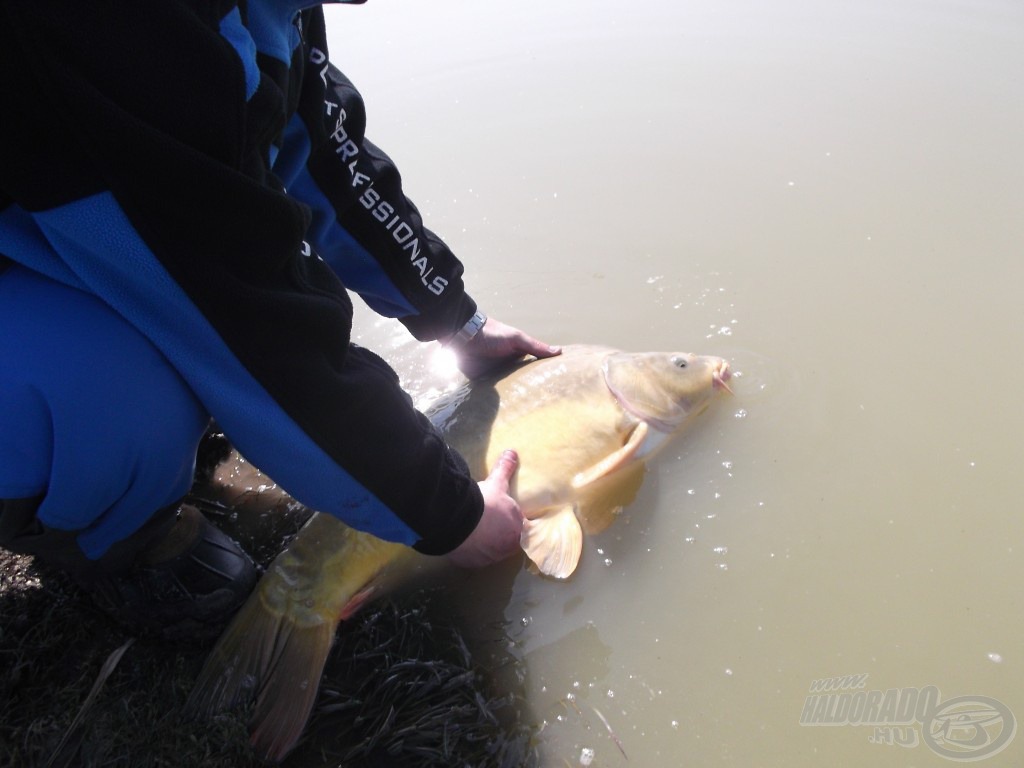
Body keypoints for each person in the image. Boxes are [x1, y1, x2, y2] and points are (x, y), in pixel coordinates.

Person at [0, 1, 560, 639]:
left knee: (204, 341)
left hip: (62, 234)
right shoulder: (118, 28)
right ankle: (115, 537)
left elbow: (329, 160)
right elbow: (244, 313)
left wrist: (452, 316)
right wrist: (451, 514)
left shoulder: (269, 11)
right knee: (117, 383)